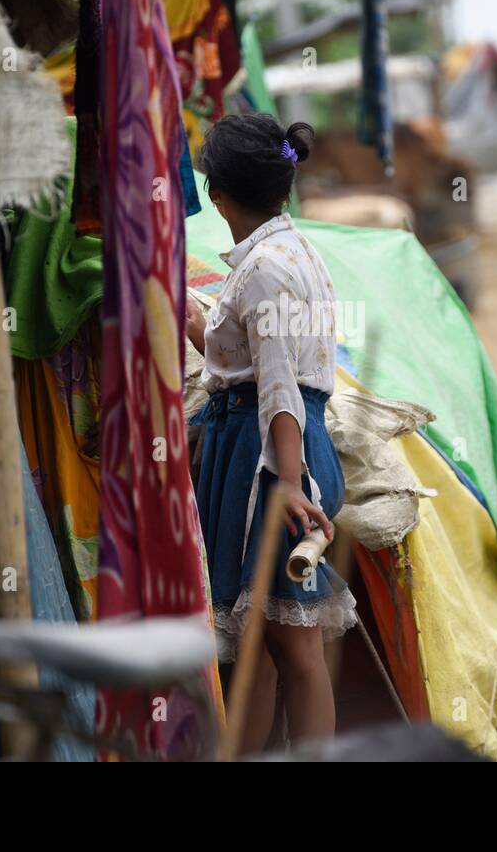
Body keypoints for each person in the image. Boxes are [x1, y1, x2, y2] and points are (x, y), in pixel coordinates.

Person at [185, 113, 355, 752]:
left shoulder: (264, 268)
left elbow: (278, 385)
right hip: (270, 445)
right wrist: (194, 319)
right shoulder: (288, 252)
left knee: (293, 643)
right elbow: (249, 359)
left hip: (272, 456)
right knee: (258, 636)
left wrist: (287, 482)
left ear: (216, 194)